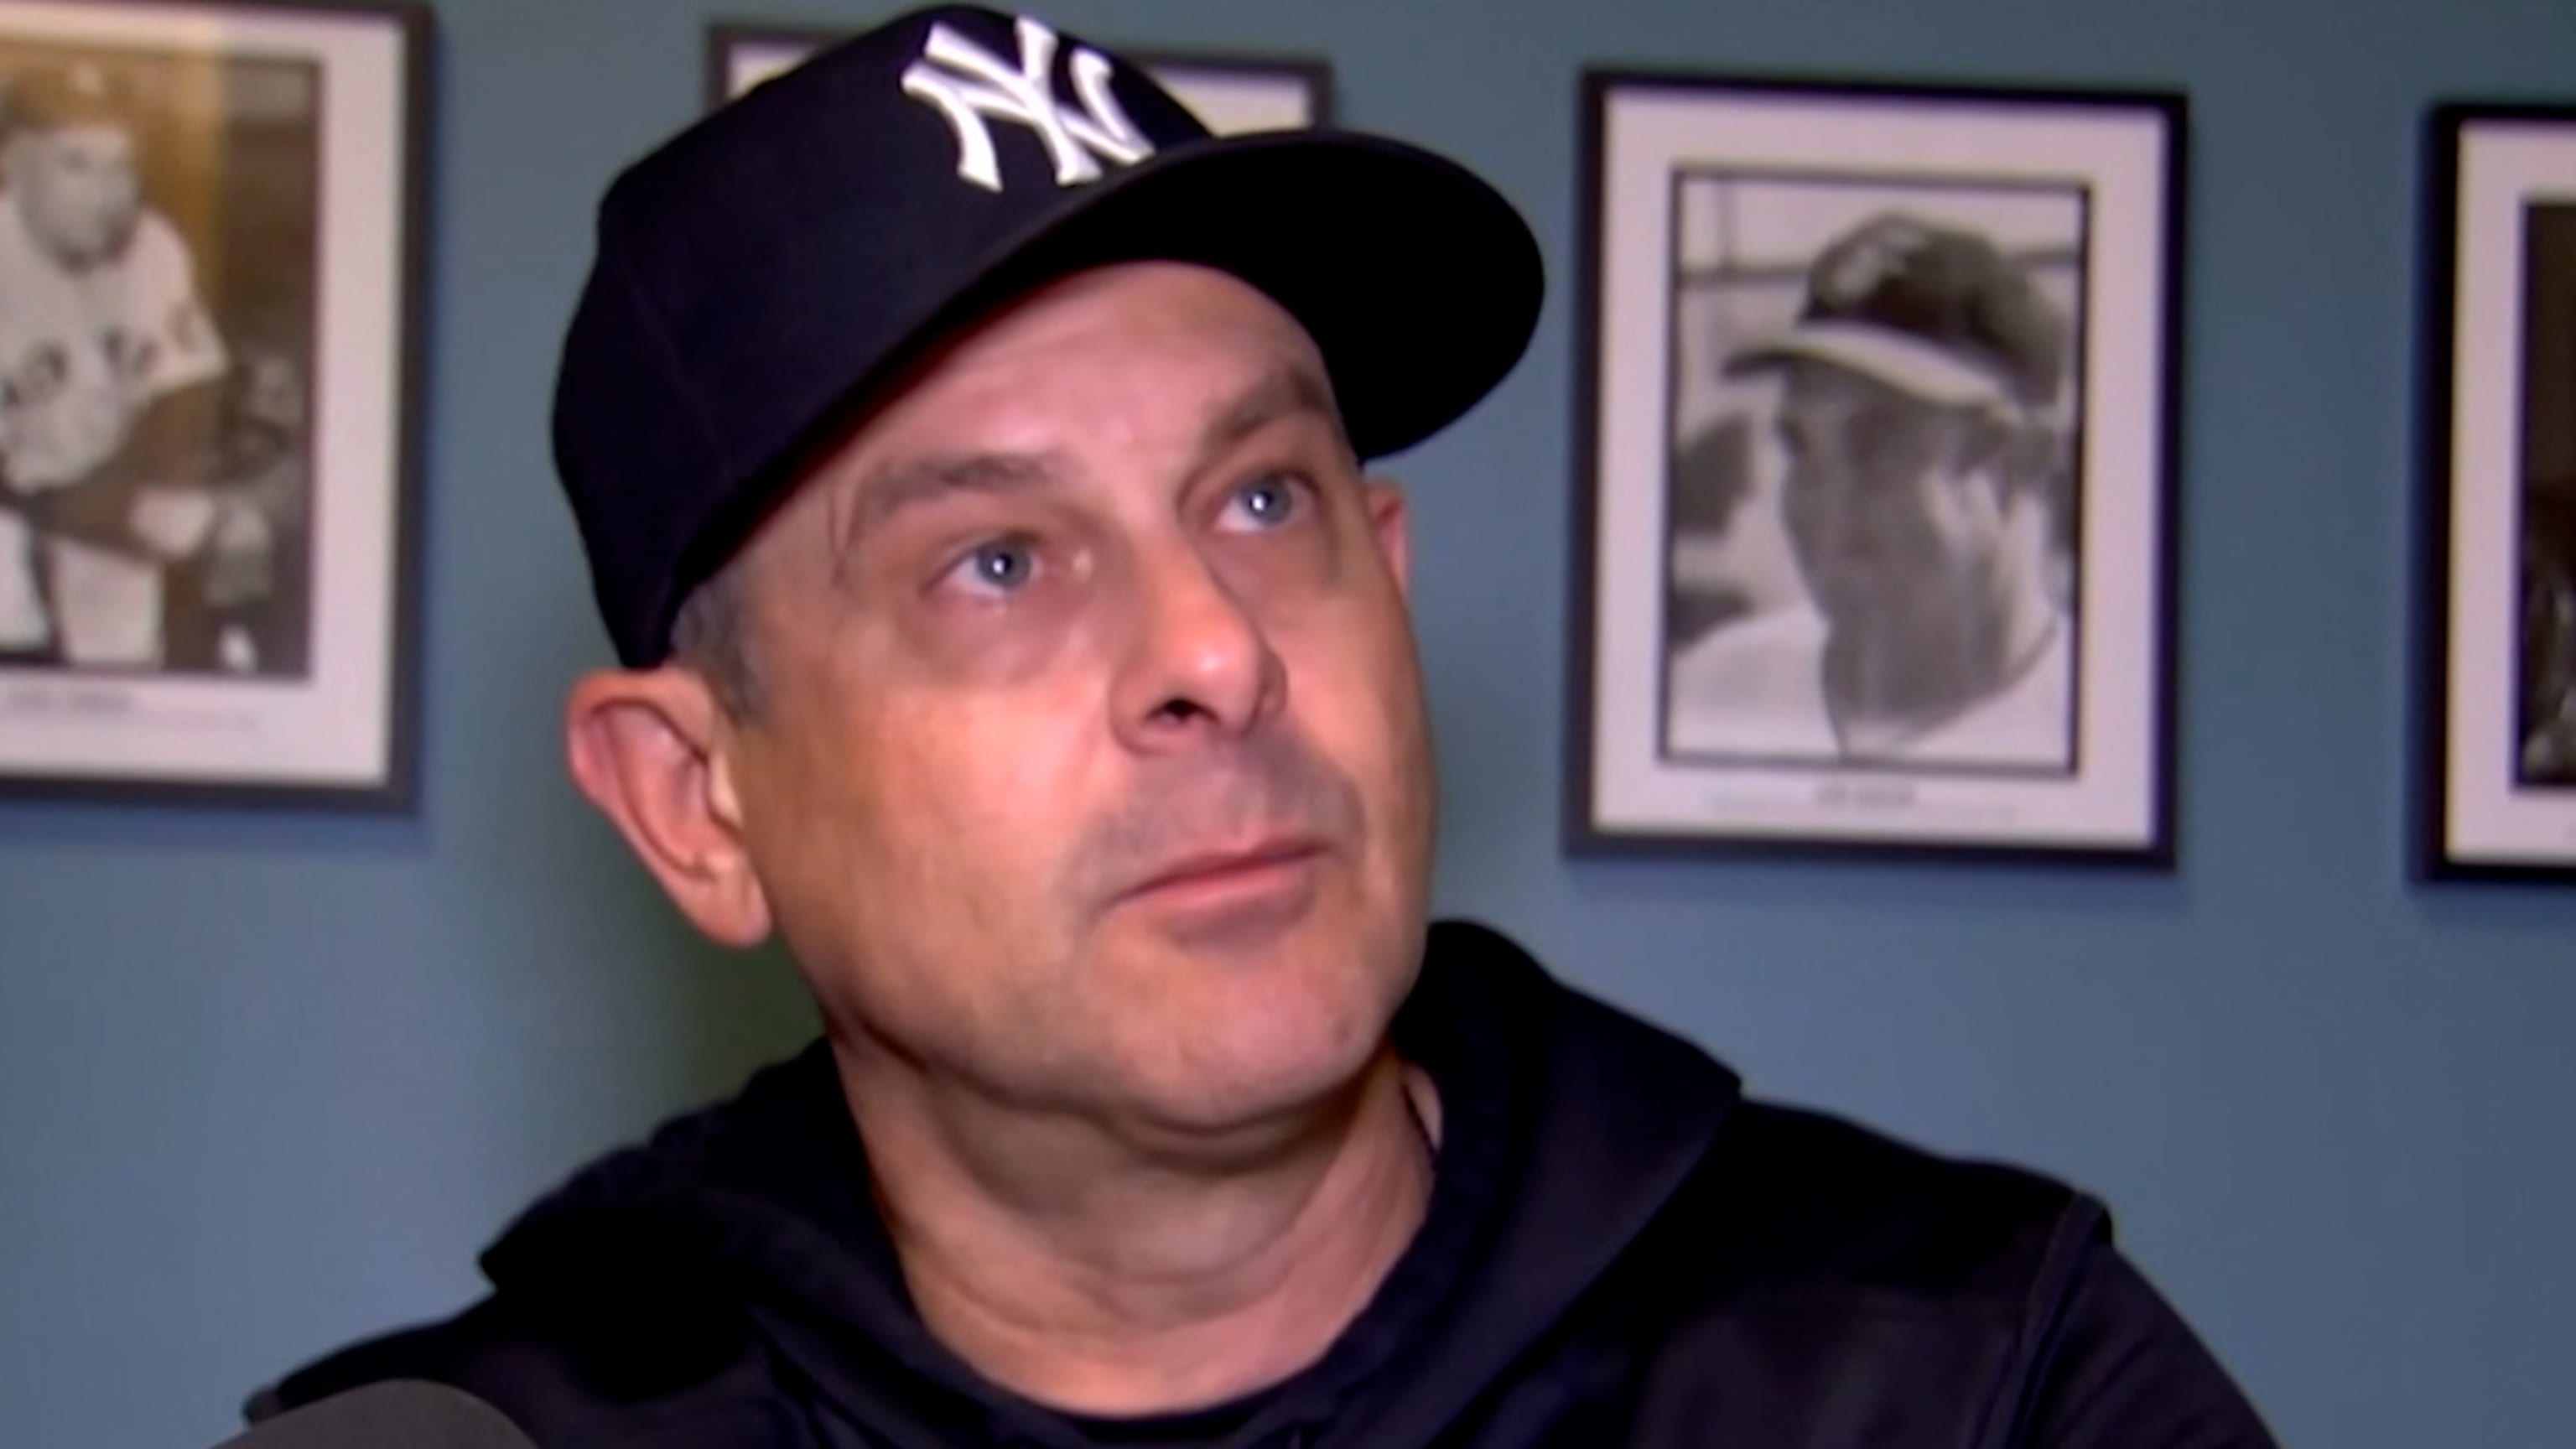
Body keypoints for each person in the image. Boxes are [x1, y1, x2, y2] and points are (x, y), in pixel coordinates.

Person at [248, 8, 2277, 1446]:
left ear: (1383, 578)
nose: (1212, 647)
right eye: (996, 561)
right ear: (698, 802)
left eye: (1257, 499)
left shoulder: (1958, 1378)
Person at [1669, 212, 2078, 770]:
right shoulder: (1709, 694)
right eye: (1801, 447)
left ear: (2019, 463)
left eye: (1877, 449)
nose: (1825, 504)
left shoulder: (2107, 731)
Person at [0, 59, 262, 670]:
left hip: (97, 479)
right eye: (76, 165)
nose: (107, 194)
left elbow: (189, 390)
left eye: (123, 167)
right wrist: (107, 512)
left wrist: (151, 496)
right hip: (27, 496)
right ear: (12, 165)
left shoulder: (152, 245)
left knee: (120, 671)